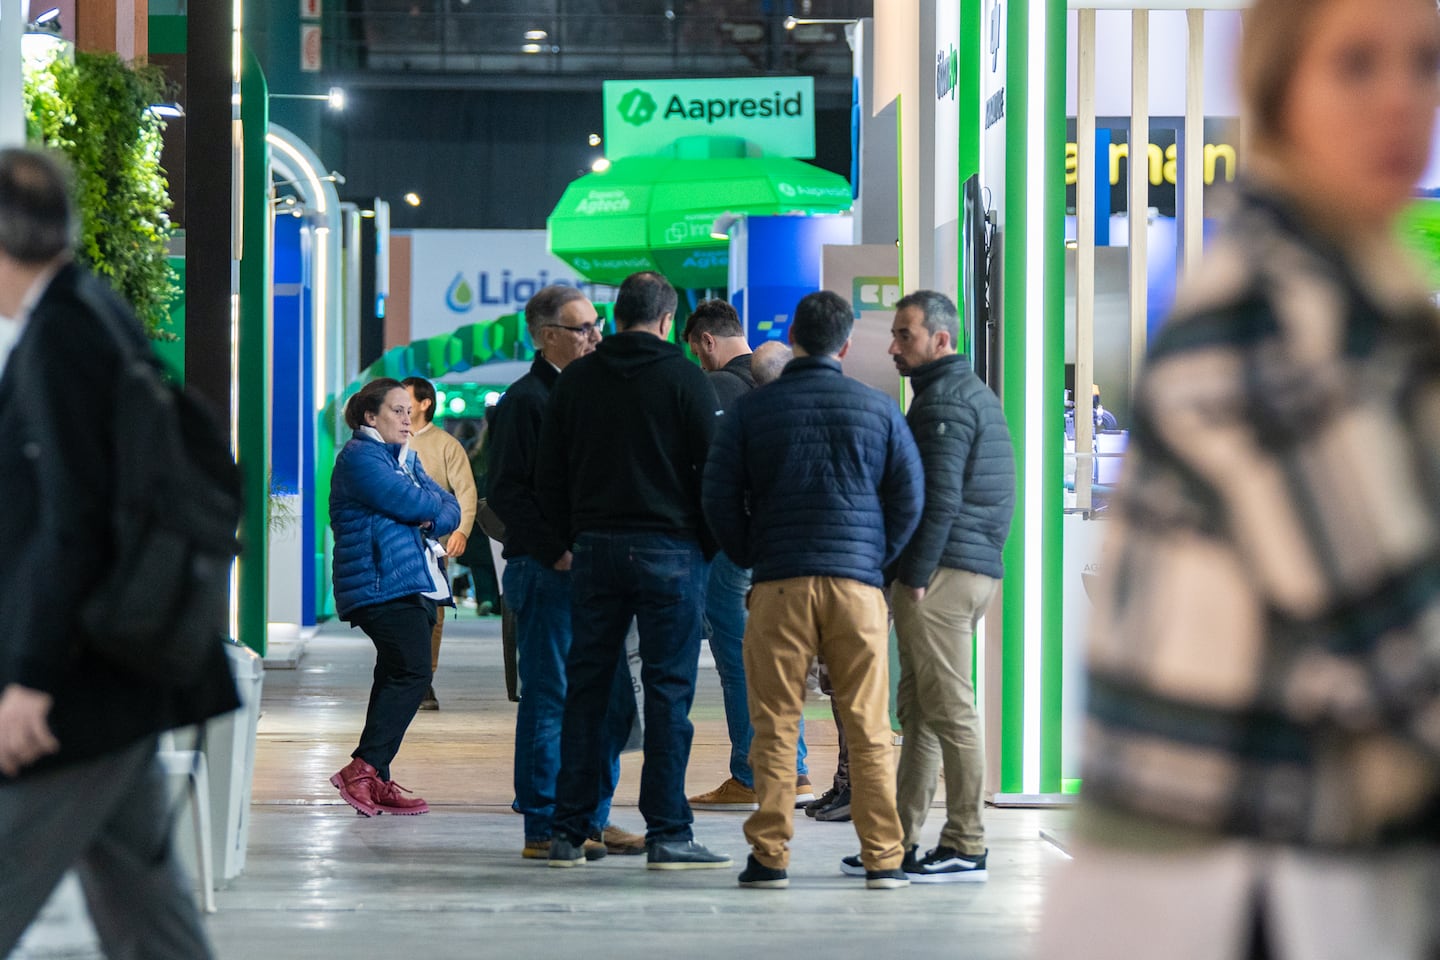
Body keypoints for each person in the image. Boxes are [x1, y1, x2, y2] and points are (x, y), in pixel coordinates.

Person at [1035, 0, 1440, 956]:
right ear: (1276, 86)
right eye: (1355, 65)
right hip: (1247, 893)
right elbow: (1398, 646)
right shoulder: (1278, 323)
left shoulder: (1353, 299)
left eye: (1426, 61)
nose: (1401, 100)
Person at [0, 147, 239, 958]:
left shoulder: (64, 333)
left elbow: (73, 521)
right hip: (117, 666)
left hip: (81, 680)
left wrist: (31, 678)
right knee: (148, 914)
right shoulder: (87, 312)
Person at [703, 290, 924, 890]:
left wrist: (752, 552)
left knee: (774, 722)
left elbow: (718, 495)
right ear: (848, 344)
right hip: (858, 588)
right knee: (869, 726)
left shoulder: (754, 410)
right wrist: (876, 563)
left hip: (779, 584)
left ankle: (771, 856)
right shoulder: (878, 409)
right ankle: (884, 856)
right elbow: (910, 498)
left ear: (794, 335)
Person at [537, 271, 729, 870]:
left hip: (595, 550)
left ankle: (568, 832)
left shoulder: (577, 382)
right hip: (671, 552)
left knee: (587, 690)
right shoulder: (685, 379)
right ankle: (669, 833)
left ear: (614, 316)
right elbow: (715, 473)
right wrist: (703, 543)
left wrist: (569, 539)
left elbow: (550, 475)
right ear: (668, 320)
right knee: (669, 694)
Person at [846, 289, 1013, 882]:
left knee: (950, 708)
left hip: (942, 574)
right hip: (960, 568)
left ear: (941, 340)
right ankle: (898, 840)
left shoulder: (943, 403)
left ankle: (966, 842)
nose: (894, 346)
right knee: (920, 709)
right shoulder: (961, 393)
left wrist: (911, 577)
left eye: (905, 336)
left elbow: (936, 500)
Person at [487, 284, 645, 859]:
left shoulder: (588, 394)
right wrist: (555, 550)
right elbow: (506, 492)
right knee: (550, 698)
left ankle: (589, 819)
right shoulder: (528, 400)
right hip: (549, 571)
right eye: (583, 328)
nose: (596, 336)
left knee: (608, 700)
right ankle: (544, 825)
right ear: (547, 333)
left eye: (598, 324)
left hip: (595, 569)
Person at [682, 300, 813, 811]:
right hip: (785, 542)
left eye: (697, 351)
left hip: (736, 545)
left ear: (708, 341)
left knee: (741, 660)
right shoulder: (779, 379)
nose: (698, 362)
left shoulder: (719, 389)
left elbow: (712, 476)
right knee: (776, 657)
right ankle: (793, 769)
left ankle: (752, 772)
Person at [329, 378, 460, 817]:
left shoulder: (404, 458)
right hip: (380, 583)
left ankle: (377, 776)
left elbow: (450, 506)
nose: (407, 419)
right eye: (397, 411)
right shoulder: (361, 459)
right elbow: (417, 506)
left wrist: (429, 511)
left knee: (395, 674)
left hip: (411, 582)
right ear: (370, 416)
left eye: (409, 411)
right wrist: (427, 512)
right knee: (412, 671)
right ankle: (362, 770)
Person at [401, 376, 478, 711]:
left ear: (424, 403)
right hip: (395, 546)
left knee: (432, 615)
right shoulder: (391, 441)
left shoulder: (447, 445)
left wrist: (461, 530)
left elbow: (466, 492)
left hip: (434, 547)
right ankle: (404, 676)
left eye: (406, 398)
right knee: (398, 615)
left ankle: (424, 680)